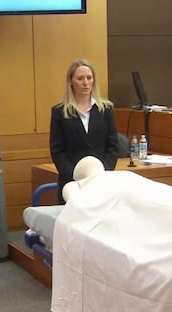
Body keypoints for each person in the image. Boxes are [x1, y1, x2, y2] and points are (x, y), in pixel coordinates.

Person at [49, 59, 119, 204]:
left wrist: (100, 174)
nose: (85, 83)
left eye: (89, 78)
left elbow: (112, 146)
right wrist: (76, 177)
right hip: (72, 183)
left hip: (100, 181)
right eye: (80, 78)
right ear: (71, 82)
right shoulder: (60, 112)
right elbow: (57, 151)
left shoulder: (105, 109)